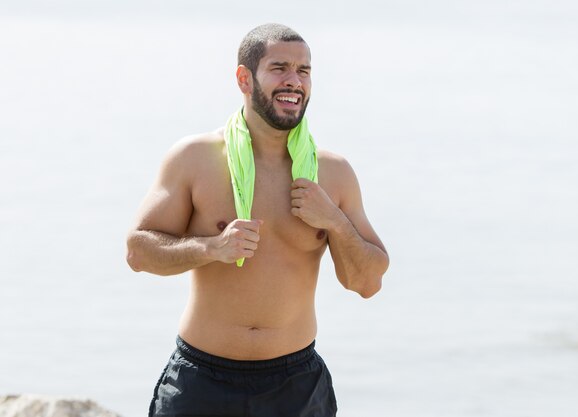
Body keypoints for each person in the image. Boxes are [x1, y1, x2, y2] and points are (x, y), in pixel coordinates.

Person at [126, 23, 389, 417]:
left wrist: (334, 221)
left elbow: (367, 282)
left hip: (295, 384)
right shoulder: (194, 159)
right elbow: (138, 252)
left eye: (304, 71)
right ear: (244, 79)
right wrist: (211, 248)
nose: (294, 82)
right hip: (202, 379)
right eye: (279, 68)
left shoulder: (331, 174)